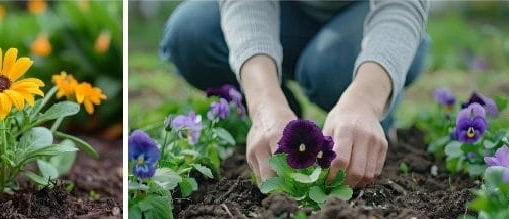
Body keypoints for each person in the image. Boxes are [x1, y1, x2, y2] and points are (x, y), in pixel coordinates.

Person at [161, 0, 430, 187]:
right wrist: (265, 103)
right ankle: (284, 127)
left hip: (369, 19)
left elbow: (401, 4)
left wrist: (366, 99)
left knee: (330, 71)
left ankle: (375, 108)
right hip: (289, 12)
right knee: (190, 33)